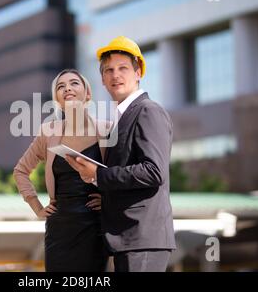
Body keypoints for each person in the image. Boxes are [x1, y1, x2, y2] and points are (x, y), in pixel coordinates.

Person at [66, 36, 176, 272]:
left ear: (138, 73)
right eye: (109, 70)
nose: (116, 75)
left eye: (123, 68)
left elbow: (153, 172)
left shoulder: (148, 111)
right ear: (103, 80)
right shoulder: (120, 118)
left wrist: (98, 175)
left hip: (142, 237)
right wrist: (104, 195)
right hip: (129, 239)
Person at [13, 69, 110, 272]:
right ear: (57, 99)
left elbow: (121, 174)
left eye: (74, 83)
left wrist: (110, 200)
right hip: (60, 228)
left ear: (88, 94)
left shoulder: (108, 130)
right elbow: (20, 171)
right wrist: (37, 207)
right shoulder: (48, 133)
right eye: (60, 86)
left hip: (95, 226)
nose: (67, 88)